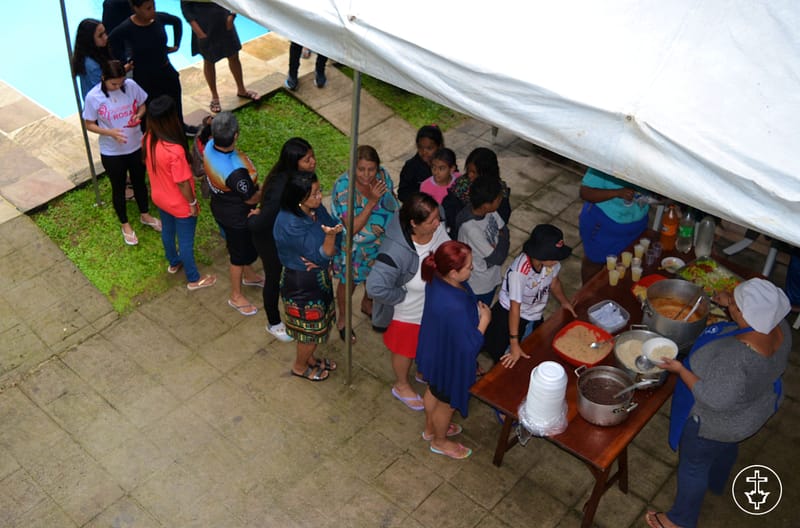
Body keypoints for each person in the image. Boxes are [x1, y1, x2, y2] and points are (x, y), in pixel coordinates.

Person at [646, 278, 791, 528]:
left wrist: (680, 369)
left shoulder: (737, 357)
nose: (730, 304)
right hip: (749, 411)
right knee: (724, 449)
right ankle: (716, 480)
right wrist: (730, 302)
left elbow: (714, 399)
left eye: (734, 304)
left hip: (713, 423)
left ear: (744, 314)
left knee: (693, 467)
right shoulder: (780, 325)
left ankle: (679, 521)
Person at [366, 192, 450, 410]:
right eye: (431, 221)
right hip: (409, 313)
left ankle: (421, 369)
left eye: (437, 217)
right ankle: (401, 385)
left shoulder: (436, 224)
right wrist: (400, 297)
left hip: (432, 307)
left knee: (425, 343)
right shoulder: (395, 251)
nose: (438, 223)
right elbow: (374, 287)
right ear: (414, 223)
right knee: (404, 350)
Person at [416, 241, 491, 459]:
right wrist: (484, 321)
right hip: (450, 361)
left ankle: (430, 428)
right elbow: (469, 346)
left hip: (435, 351)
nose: (472, 268)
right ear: (453, 272)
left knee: (433, 389)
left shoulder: (436, 278)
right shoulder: (454, 305)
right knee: (446, 405)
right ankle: (439, 441)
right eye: (468, 266)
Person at [273, 171, 342, 382]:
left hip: (317, 278)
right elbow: (322, 253)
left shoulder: (313, 208)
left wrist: (329, 247)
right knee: (309, 333)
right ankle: (300, 366)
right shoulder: (290, 223)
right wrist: (330, 239)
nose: (320, 197)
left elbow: (334, 238)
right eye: (314, 194)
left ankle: (309, 359)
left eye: (319, 191)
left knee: (319, 326)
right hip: (300, 283)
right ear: (299, 198)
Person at [82, 60, 160, 246]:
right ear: (104, 79)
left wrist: (138, 116)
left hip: (135, 145)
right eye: (114, 84)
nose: (118, 87)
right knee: (118, 187)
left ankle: (145, 214)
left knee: (139, 181)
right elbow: (89, 124)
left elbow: (143, 105)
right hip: (112, 152)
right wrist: (110, 132)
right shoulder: (93, 97)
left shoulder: (130, 86)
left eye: (121, 83)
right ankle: (125, 224)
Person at [143, 95, 216, 290]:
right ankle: (193, 279)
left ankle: (174, 263)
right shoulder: (174, 150)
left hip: (160, 198)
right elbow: (183, 183)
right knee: (185, 242)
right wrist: (192, 204)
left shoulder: (148, 138)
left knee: (168, 232)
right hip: (179, 203)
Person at [248, 138, 316, 342]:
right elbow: (262, 221)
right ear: (294, 163)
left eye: (312, 156)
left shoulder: (300, 178)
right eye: (307, 160)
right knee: (273, 277)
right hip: (268, 236)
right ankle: (274, 322)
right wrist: (254, 218)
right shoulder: (281, 187)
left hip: (282, 232)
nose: (313, 162)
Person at [331, 145, 399, 343]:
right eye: (361, 169)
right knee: (349, 283)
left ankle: (367, 303)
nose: (367, 175)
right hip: (355, 249)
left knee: (375, 277)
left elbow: (392, 200)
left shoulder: (382, 176)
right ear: (353, 167)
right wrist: (371, 202)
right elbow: (352, 228)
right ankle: (343, 320)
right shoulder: (344, 188)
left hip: (381, 243)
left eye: (371, 169)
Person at [483, 224, 577, 367]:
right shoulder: (519, 273)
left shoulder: (551, 263)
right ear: (541, 255)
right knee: (505, 358)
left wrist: (564, 302)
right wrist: (514, 342)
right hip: (509, 317)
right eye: (554, 257)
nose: (557, 261)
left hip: (533, 314)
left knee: (531, 347)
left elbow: (554, 283)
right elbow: (515, 308)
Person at [203, 112, 264, 316]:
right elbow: (250, 199)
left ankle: (249, 275)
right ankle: (236, 296)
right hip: (236, 217)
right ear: (236, 135)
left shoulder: (209, 146)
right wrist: (265, 191)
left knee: (240, 248)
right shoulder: (235, 172)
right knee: (238, 255)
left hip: (220, 206)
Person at [109, 0, 197, 135]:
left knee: (174, 101)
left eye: (154, 6)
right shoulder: (127, 27)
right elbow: (111, 41)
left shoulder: (158, 18)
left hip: (165, 69)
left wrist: (176, 45)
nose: (153, 11)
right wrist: (123, 64)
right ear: (136, 9)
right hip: (145, 77)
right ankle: (151, 137)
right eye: (148, 8)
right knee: (147, 110)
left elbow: (177, 21)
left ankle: (180, 127)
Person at [180, 1, 260, 114]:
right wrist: (199, 32)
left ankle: (242, 90)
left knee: (234, 56)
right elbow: (186, 9)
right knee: (209, 61)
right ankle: (215, 97)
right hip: (204, 27)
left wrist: (232, 16)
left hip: (225, 22)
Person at [578, 167, 651, 283]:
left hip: (637, 225)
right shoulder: (608, 163)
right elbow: (585, 192)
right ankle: (587, 292)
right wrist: (617, 193)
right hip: (603, 227)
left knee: (626, 262)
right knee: (594, 261)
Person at [456, 175, 509, 306]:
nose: (501, 200)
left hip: (491, 276)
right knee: (478, 312)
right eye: (498, 199)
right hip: (479, 285)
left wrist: (502, 237)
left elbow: (505, 229)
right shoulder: (471, 228)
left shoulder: (489, 211)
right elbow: (498, 258)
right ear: (486, 205)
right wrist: (502, 237)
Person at [443, 147, 511, 234]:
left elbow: (502, 218)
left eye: (474, 172)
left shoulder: (498, 191)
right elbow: (449, 211)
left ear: (487, 173)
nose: (470, 175)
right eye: (468, 170)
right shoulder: (461, 184)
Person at [397, 125, 444, 203]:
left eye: (429, 148)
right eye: (420, 147)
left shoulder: (446, 161)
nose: (424, 152)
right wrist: (421, 195)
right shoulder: (411, 166)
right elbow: (402, 193)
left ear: (439, 146)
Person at [71, 19, 112, 100]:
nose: (106, 37)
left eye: (105, 32)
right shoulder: (91, 64)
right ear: (89, 39)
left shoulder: (98, 51)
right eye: (100, 35)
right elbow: (103, 88)